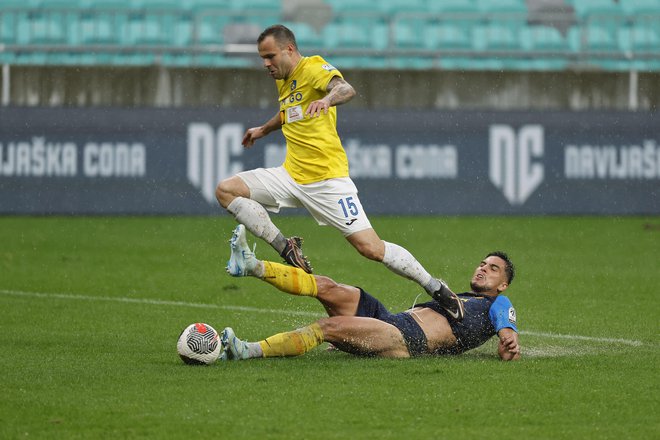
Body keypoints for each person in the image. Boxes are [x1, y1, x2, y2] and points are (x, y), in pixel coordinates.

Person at [215, 24, 464, 319]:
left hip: (328, 182)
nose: (265, 64)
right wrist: (262, 130)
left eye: (269, 56)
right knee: (226, 190)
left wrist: (327, 99)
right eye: (262, 58)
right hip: (291, 176)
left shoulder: (313, 67)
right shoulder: (284, 79)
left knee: (371, 248)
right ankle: (286, 248)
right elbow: (290, 112)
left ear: (289, 50)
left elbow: (346, 88)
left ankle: (436, 288)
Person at [219, 224, 521, 361]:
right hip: (390, 319)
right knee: (328, 287)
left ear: (503, 284)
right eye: (483, 264)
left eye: (493, 269)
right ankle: (252, 265)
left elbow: (507, 333)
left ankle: (247, 351)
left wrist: (509, 342)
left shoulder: (497, 302)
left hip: (405, 339)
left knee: (327, 328)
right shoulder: (463, 297)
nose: (483, 269)